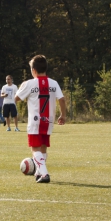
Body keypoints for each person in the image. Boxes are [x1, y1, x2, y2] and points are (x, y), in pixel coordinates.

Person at [15, 55, 66, 183]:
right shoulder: (54, 83)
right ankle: (38, 172)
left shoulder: (29, 83)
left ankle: (44, 174)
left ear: (33, 70)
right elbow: (62, 99)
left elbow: (16, 98)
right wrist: (63, 115)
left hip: (35, 121)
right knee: (43, 147)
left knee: (34, 148)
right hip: (48, 121)